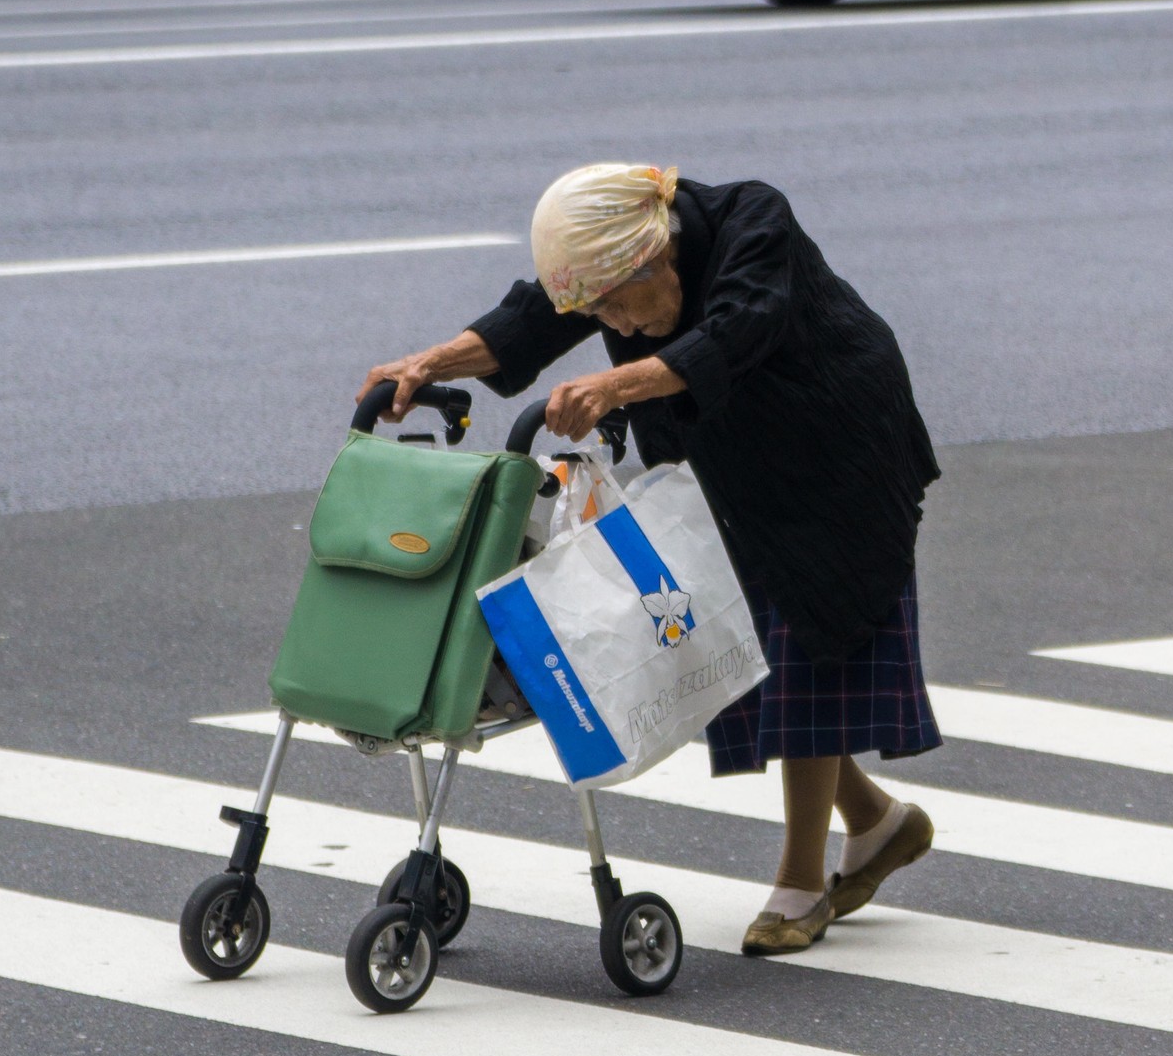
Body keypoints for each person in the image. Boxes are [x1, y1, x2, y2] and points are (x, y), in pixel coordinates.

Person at [359, 163, 942, 956]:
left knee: (808, 643)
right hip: (727, 460)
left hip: (833, 448)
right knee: (737, 647)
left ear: (657, 259)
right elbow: (530, 319)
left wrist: (616, 384)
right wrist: (427, 366)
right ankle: (876, 824)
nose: (618, 327)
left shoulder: (753, 222)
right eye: (599, 315)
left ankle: (802, 884)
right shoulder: (620, 268)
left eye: (619, 307)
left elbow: (736, 329)